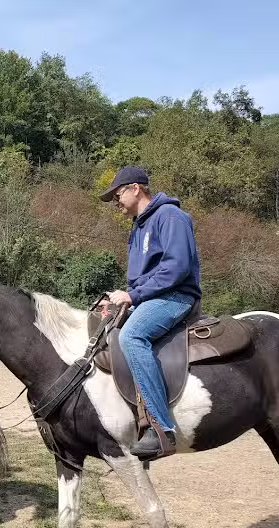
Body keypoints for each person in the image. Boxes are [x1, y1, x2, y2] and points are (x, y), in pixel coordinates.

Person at [98, 167, 201, 460]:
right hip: (151, 298)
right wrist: (122, 301)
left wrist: (132, 296)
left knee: (132, 336)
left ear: (134, 188)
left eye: (117, 196)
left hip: (176, 296)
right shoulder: (138, 226)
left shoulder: (170, 217)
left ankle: (161, 429)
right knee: (104, 330)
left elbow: (177, 267)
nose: (115, 203)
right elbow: (142, 279)